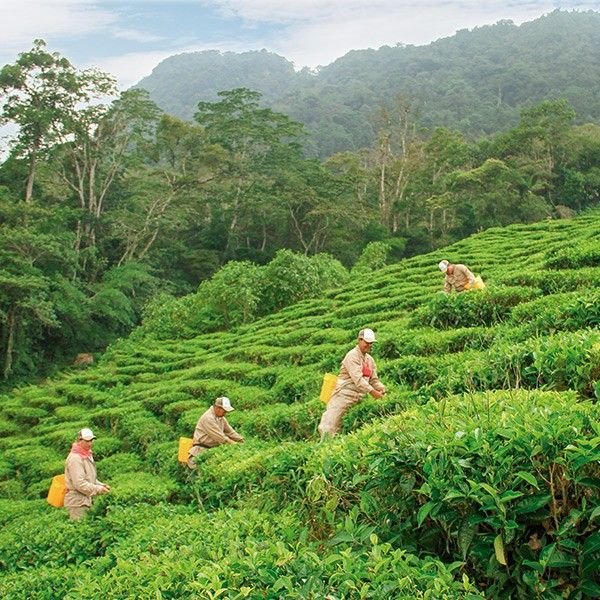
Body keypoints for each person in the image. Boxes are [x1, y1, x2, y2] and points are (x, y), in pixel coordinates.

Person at [318, 328, 385, 439]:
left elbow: (374, 380)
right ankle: (326, 447)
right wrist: (373, 393)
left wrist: (381, 388)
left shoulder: (369, 360)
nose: (369, 345)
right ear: (359, 340)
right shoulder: (352, 356)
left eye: (371, 343)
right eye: (366, 343)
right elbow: (358, 380)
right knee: (329, 424)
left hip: (359, 396)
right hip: (344, 394)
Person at [64, 428, 110, 520]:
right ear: (79, 440)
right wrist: (98, 489)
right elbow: (79, 484)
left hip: (85, 500)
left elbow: (89, 478)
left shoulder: (86, 454)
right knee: (79, 529)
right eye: (87, 441)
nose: (90, 443)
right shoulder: (75, 459)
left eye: (91, 440)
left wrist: (101, 485)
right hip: (77, 503)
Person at [187, 396, 244, 469]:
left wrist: (242, 440)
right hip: (199, 453)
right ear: (217, 408)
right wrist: (235, 445)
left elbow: (230, 432)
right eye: (224, 411)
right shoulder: (208, 418)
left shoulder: (221, 418)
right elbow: (221, 438)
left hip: (210, 450)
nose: (225, 413)